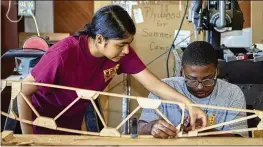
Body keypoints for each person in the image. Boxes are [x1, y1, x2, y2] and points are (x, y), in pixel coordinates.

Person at [17, 5, 207, 135]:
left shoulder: (119, 53)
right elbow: (23, 91)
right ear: (100, 39)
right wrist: (27, 138)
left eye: (128, 44)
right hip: (38, 123)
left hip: (71, 126)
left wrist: (188, 103)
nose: (126, 50)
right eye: (121, 44)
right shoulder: (62, 54)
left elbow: (154, 85)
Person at [138, 41, 248, 138]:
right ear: (182, 72)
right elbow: (140, 128)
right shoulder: (163, 88)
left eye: (208, 79)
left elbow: (241, 139)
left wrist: (208, 131)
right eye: (192, 80)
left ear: (217, 71)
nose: (200, 86)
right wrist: (152, 127)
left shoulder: (232, 93)